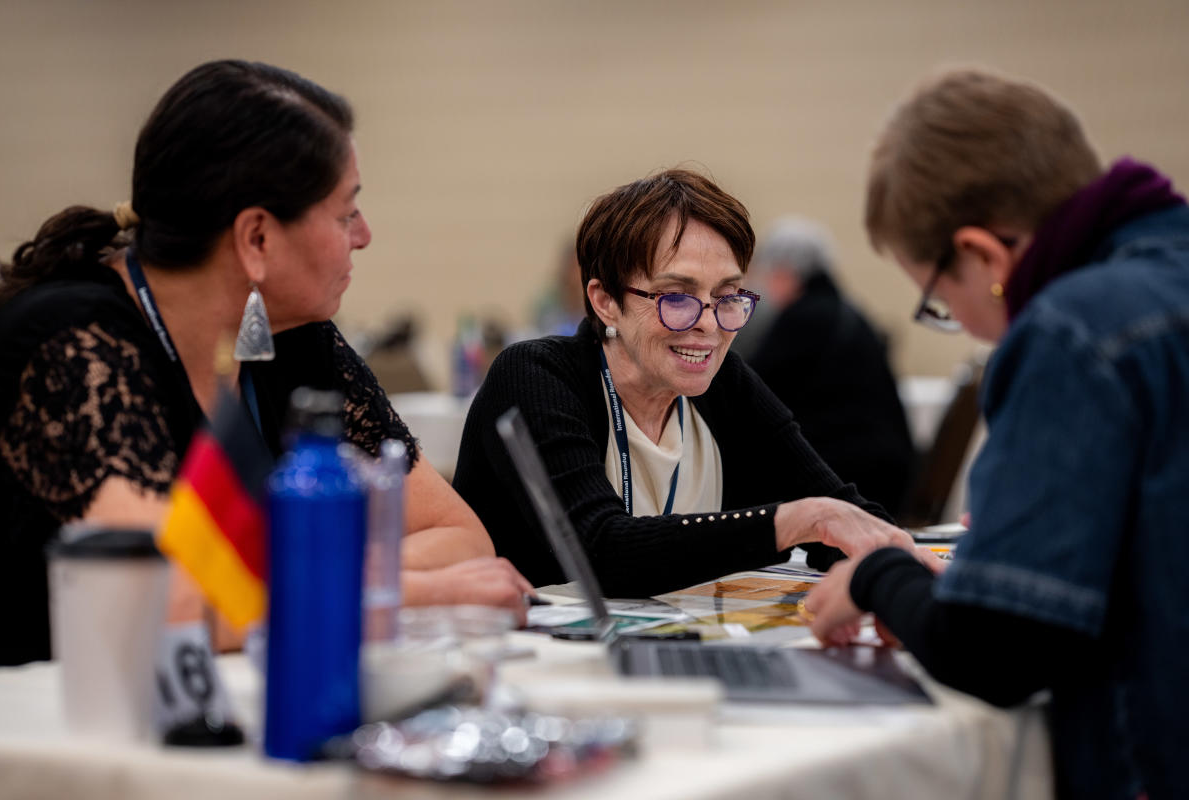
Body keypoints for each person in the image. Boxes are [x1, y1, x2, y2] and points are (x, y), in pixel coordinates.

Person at [0, 60, 531, 669]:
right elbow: (165, 599)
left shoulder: (293, 334)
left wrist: (290, 584)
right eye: (346, 212)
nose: (365, 235)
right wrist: (409, 592)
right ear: (256, 239)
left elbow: (460, 541)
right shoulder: (71, 340)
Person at [803, 69, 1189, 799]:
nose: (959, 323)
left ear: (983, 257)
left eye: (940, 301)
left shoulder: (1073, 331)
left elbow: (997, 651)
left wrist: (879, 577)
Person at [453, 169, 918, 598]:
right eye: (678, 296)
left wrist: (894, 564)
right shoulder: (536, 376)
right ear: (606, 301)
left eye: (727, 296)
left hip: (684, 653)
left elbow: (843, 514)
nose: (710, 325)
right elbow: (600, 553)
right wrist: (792, 521)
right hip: (545, 668)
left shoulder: (725, 383)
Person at [742, 216, 915, 516]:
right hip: (887, 467)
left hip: (855, 475)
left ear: (785, 272)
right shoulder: (845, 310)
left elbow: (749, 389)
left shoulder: (805, 318)